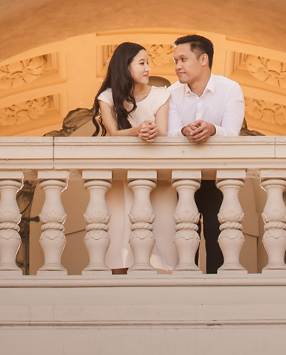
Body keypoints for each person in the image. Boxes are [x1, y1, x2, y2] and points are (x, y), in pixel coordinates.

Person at [166, 34, 245, 273]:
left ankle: (219, 297)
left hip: (219, 179)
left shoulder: (230, 89)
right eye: (175, 60)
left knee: (217, 238)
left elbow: (232, 133)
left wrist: (212, 129)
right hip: (181, 179)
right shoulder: (171, 93)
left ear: (203, 59)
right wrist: (183, 130)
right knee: (183, 245)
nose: (177, 66)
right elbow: (168, 133)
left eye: (183, 59)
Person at [91, 41, 170, 273]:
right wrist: (137, 131)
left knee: (162, 235)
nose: (148, 68)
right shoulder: (107, 97)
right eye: (142, 63)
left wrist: (152, 131)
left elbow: (163, 133)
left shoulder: (161, 95)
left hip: (158, 176)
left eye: (148, 62)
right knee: (119, 232)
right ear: (125, 67)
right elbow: (114, 133)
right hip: (121, 177)